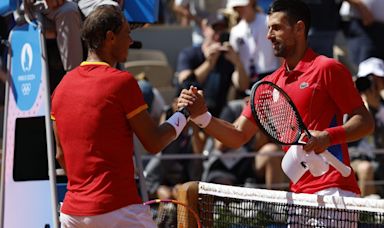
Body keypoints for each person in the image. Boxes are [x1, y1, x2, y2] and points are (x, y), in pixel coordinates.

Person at [178, 0, 374, 197]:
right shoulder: (267, 85)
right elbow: (237, 135)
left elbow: (365, 122)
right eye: (269, 28)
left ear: (299, 28)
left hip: (335, 192)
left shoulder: (328, 69)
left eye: (276, 28)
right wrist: (202, 116)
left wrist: (327, 137)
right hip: (297, 196)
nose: (269, 35)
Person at [51, 6, 203, 227]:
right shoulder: (122, 82)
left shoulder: (61, 88)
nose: (131, 41)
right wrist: (187, 112)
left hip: (72, 216)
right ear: (110, 37)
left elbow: (60, 155)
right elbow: (154, 142)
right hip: (117, 210)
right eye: (127, 34)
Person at [176, 12, 249, 117]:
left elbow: (243, 86)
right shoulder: (189, 53)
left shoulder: (229, 57)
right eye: (215, 28)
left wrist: (237, 62)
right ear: (205, 30)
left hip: (220, 112)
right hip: (192, 108)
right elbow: (184, 82)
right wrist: (209, 63)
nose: (218, 34)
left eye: (222, 29)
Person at [227, 0, 280, 92]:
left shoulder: (268, 21)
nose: (239, 10)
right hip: (250, 80)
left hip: (273, 74)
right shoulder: (235, 31)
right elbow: (237, 62)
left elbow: (280, 49)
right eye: (236, 7)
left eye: (241, 6)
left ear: (251, 2)